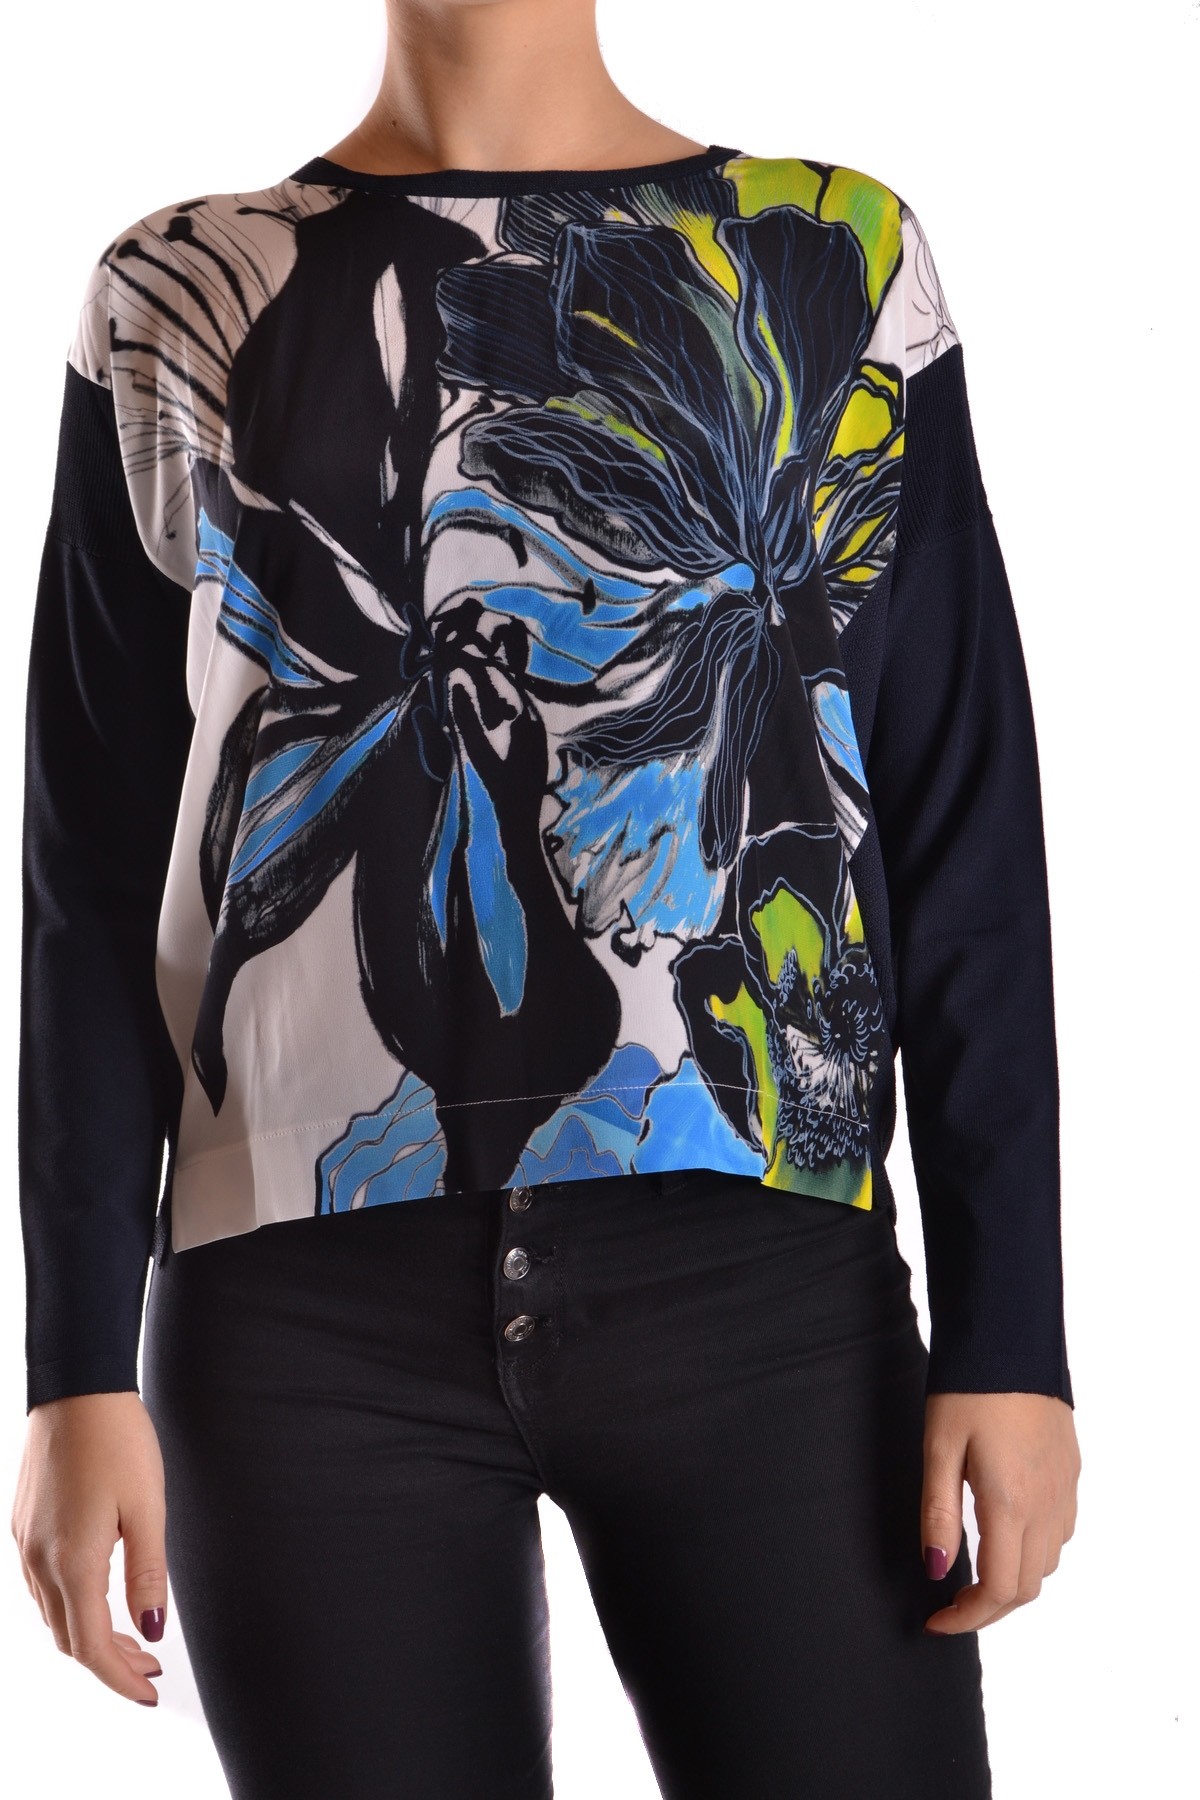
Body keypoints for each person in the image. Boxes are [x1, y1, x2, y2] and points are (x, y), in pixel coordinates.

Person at [10, 0, 1081, 1793]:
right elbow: (91, 875)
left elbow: (964, 820)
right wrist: (70, 1368)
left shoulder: (834, 251)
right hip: (300, 1318)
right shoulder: (176, 289)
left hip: (759, 1281)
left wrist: (1014, 1335)